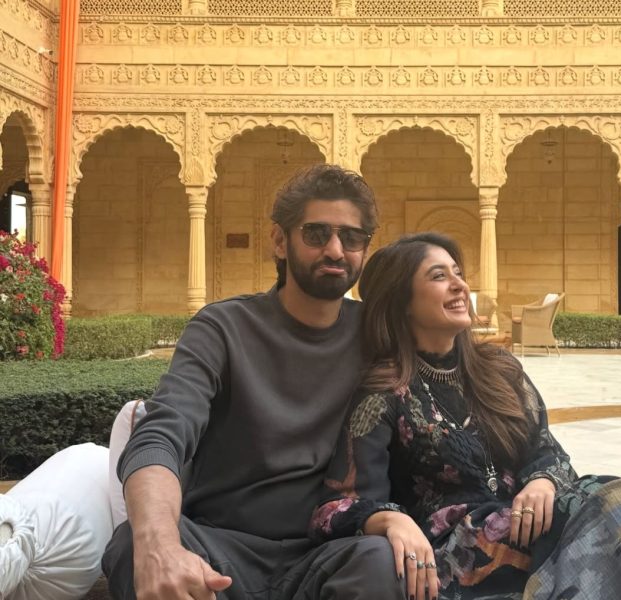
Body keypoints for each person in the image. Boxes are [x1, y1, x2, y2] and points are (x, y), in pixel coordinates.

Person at [310, 232, 621, 600]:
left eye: (458, 273)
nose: (459, 285)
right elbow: (334, 508)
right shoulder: (385, 393)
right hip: (461, 557)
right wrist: (389, 519)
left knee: (614, 502)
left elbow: (547, 450)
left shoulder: (499, 371)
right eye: (438, 276)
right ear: (402, 302)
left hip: (532, 528)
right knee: (610, 500)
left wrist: (543, 481)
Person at [102, 164, 405, 600]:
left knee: (382, 561)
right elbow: (162, 434)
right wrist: (159, 545)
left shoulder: (378, 336)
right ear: (280, 241)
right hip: (219, 548)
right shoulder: (223, 328)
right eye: (317, 233)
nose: (336, 250)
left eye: (352, 238)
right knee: (132, 546)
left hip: (326, 552)